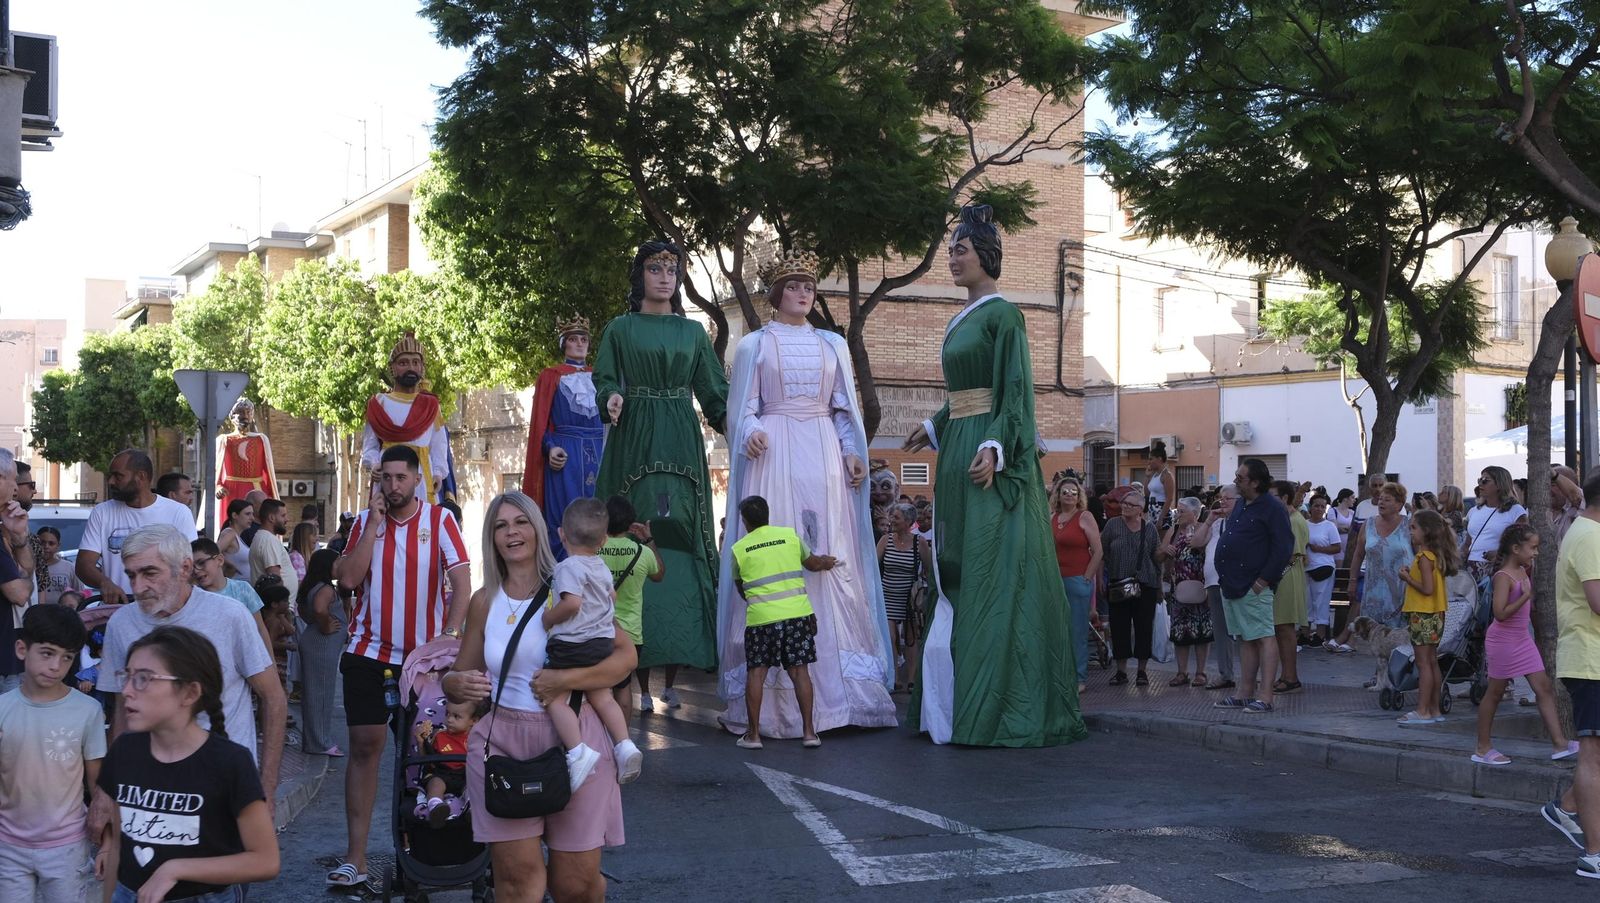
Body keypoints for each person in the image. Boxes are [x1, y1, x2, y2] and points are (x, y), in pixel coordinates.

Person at [901, 204, 1084, 748]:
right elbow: (961, 393)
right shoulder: (963, 317)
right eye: (952, 250)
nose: (953, 258)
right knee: (955, 560)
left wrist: (996, 446)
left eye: (962, 249)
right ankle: (951, 701)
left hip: (984, 451)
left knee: (987, 565)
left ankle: (999, 702)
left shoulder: (1005, 315)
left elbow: (1015, 391)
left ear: (987, 255)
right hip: (956, 446)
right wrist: (934, 427)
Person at [717, 248, 895, 738]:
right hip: (773, 449)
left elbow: (843, 409)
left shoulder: (832, 344)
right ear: (776, 294)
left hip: (821, 450)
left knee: (827, 548)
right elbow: (743, 405)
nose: (802, 293)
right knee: (776, 542)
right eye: (793, 286)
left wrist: (852, 452)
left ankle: (843, 697)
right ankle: (769, 703)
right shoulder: (754, 344)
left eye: (809, 287)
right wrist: (749, 428)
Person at [442, 491, 632, 903]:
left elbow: (625, 657)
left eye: (521, 522)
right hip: (505, 744)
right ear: (491, 539)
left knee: (576, 885)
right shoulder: (484, 601)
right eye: (500, 525)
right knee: (516, 883)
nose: (512, 532)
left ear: (539, 529)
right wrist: (453, 686)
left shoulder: (570, 583)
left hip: (574, 741)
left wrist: (566, 681)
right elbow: (461, 673)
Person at [327, 444, 470, 888]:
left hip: (422, 664)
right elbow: (348, 579)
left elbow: (462, 582)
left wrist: (448, 636)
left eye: (400, 478)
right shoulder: (365, 523)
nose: (392, 486)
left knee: (424, 755)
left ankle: (420, 856)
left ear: (416, 479)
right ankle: (357, 858)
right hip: (368, 653)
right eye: (384, 478)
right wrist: (372, 522)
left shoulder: (440, 519)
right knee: (366, 747)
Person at [593, 240, 729, 697]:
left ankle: (688, 643)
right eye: (655, 268)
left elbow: (712, 388)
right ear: (640, 276)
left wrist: (733, 424)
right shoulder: (620, 328)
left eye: (673, 268)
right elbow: (606, 376)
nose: (665, 276)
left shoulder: (693, 333)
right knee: (627, 525)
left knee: (684, 531)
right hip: (634, 432)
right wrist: (610, 397)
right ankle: (621, 651)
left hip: (680, 432)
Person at [91, 526, 285, 799]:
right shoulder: (122, 623)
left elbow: (274, 698)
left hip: (223, 786)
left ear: (184, 568)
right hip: (149, 791)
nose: (137, 587)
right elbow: (122, 713)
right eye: (131, 575)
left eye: (149, 573)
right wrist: (107, 793)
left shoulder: (230, 616)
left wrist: (265, 789)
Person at [95, 625, 280, 901]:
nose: (127, 691)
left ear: (189, 693)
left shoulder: (230, 763)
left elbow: (265, 861)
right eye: (127, 676)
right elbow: (121, 847)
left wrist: (175, 869)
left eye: (144, 679)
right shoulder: (124, 751)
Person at [0, 605, 104, 903]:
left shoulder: (88, 710)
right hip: (8, 846)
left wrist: (108, 844)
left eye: (67, 657)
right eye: (46, 653)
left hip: (67, 847)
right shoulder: (2, 708)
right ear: (22, 649)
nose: (57, 665)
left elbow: (97, 786)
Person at [542, 497, 642, 787]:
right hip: (602, 642)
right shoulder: (599, 565)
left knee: (555, 699)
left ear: (562, 533)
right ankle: (624, 745)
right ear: (602, 541)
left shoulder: (567, 567)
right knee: (602, 696)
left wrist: (549, 618)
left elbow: (571, 604)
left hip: (572, 644)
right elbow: (612, 597)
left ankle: (577, 752)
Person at [728, 495, 837, 749]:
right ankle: (809, 733)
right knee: (800, 672)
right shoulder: (790, 537)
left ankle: (753, 736)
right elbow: (813, 564)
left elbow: (741, 589)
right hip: (796, 616)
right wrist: (827, 562)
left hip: (761, 620)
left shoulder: (739, 549)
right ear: (768, 514)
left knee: (756, 674)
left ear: (745, 522)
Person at [1473, 524, 1577, 764]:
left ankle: (1559, 743)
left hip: (1522, 639)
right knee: (1495, 692)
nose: (1535, 552)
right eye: (1532, 547)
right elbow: (1499, 613)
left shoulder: (1523, 571)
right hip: (1503, 641)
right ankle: (1482, 747)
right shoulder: (1504, 576)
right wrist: (1524, 597)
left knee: (1544, 687)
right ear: (1515, 548)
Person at [521, 316, 605, 561]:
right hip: (566, 456)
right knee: (566, 516)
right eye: (573, 339)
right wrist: (550, 448)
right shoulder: (551, 376)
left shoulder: (601, 377)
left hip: (600, 451)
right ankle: (561, 577)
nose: (580, 344)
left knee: (600, 512)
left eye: (584, 339)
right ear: (564, 344)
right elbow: (542, 424)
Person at [1213, 458, 1293, 714]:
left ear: (1255, 482)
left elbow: (1283, 547)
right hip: (1233, 583)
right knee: (1246, 638)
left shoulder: (1272, 507)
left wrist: (1263, 580)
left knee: (1263, 636)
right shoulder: (1242, 505)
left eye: (1240, 478)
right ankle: (1244, 692)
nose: (1236, 481)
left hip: (1253, 583)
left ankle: (1266, 696)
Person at [77, 449, 198, 607]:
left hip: (164, 611)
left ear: (141, 477)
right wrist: (104, 582)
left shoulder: (179, 513)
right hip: (116, 610)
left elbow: (189, 565)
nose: (111, 482)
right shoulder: (102, 512)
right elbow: (83, 565)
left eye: (118, 476)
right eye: (110, 476)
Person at [362, 331, 451, 504]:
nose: (411, 367)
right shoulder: (378, 403)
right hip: (388, 476)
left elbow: (439, 446)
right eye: (404, 363)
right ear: (393, 368)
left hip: (422, 476)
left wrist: (438, 473)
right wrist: (373, 465)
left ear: (422, 368)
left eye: (415, 362)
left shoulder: (431, 405)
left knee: (422, 527)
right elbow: (370, 446)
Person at [1332, 481, 1414, 654]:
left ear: (1399, 504)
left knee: (1399, 637)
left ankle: (1395, 677)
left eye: (1387, 500)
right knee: (1377, 637)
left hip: (1402, 590)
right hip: (1373, 590)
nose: (1381, 502)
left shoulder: (1409, 525)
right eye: (1381, 499)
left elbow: (1421, 555)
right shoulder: (1368, 525)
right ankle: (1378, 676)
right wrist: (1352, 581)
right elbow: (1358, 555)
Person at [599, 496, 663, 713]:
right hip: (632, 635)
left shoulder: (593, 550)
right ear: (631, 523)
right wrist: (648, 540)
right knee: (623, 686)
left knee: (597, 690)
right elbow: (659, 575)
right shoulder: (643, 553)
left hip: (598, 630)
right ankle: (622, 739)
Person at [1395, 509, 1460, 725]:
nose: (1410, 531)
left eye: (1414, 527)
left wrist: (1406, 578)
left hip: (1422, 614)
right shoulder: (1435, 556)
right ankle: (1434, 709)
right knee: (1432, 662)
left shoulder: (1424, 557)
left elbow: (1427, 589)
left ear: (1427, 531)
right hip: (1435, 614)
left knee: (1423, 664)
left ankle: (1422, 710)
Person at [1101, 488, 1160, 687]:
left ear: (1140, 509)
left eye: (1130, 505)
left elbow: (1155, 558)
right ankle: (1121, 671)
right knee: (1119, 628)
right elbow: (1103, 551)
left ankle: (1142, 671)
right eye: (1124, 503)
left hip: (1145, 585)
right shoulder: (1112, 525)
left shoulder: (1149, 528)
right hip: (1118, 583)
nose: (1125, 507)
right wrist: (1102, 577)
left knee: (1144, 628)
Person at [1051, 475, 1101, 693]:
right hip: (1055, 581)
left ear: (1079, 496)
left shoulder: (1085, 516)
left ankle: (1079, 677)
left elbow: (1098, 550)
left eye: (1073, 492)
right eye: (1065, 492)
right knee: (1056, 630)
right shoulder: (1051, 517)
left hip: (1077, 579)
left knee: (1077, 631)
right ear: (1058, 496)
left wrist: (1087, 577)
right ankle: (1060, 674)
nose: (1069, 495)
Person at [881, 501, 936, 693]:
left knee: (911, 638)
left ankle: (911, 679)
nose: (892, 521)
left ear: (908, 521)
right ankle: (895, 676)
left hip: (909, 598)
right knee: (891, 636)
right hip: (887, 594)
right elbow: (874, 564)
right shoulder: (885, 540)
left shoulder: (918, 542)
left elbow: (928, 569)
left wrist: (925, 593)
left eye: (896, 517)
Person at [297, 549, 347, 757]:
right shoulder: (326, 589)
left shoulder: (312, 586)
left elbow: (302, 609)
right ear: (327, 566)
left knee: (313, 693)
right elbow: (319, 609)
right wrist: (325, 624)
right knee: (321, 693)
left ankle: (314, 741)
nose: (340, 566)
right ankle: (321, 743)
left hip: (315, 643)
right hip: (322, 645)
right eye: (337, 563)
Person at [1157, 496, 1212, 688]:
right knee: (1180, 631)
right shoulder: (1172, 531)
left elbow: (1210, 552)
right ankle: (1182, 673)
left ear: (1195, 514)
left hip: (1199, 585)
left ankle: (1201, 672)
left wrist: (1198, 544)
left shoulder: (1203, 529)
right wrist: (1166, 550)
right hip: (1178, 586)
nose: (1178, 515)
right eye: (1177, 511)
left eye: (1182, 511)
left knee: (1202, 630)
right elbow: (1158, 556)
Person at [189, 537, 273, 657]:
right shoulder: (193, 597)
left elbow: (260, 629)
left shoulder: (243, 589)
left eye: (201, 563)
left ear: (220, 560)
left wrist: (272, 665)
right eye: (192, 567)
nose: (196, 571)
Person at [414, 697, 488, 826]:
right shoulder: (438, 735)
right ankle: (436, 807)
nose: (449, 719)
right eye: (447, 714)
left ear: (474, 721)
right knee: (434, 782)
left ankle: (472, 808)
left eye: (456, 716)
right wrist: (421, 743)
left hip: (466, 774)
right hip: (442, 773)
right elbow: (427, 762)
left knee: (474, 783)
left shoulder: (477, 738)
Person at [1194, 485, 1238, 690]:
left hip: (1236, 584)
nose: (1223, 502)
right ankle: (1225, 674)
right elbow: (1196, 542)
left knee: (1244, 632)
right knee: (1221, 632)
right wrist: (1209, 519)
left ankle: (1249, 675)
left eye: (1228, 499)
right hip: (1214, 583)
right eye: (1221, 498)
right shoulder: (1217, 523)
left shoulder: (1244, 523)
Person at [215, 399, 279, 529]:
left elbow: (268, 471)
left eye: (248, 412)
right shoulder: (224, 440)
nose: (245, 415)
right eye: (241, 412)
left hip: (256, 489)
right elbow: (216, 470)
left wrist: (271, 498)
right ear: (232, 416)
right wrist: (217, 487)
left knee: (258, 524)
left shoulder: (261, 439)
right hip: (231, 491)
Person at [1270, 481, 1309, 693]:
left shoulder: (1294, 520)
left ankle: (1291, 676)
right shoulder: (1285, 518)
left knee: (1285, 628)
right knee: (1280, 628)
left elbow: (1292, 554)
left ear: (1284, 498)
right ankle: (1285, 675)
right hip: (1282, 575)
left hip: (1286, 575)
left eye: (1273, 496)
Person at [1304, 493, 1341, 648]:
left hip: (1323, 567)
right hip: (1306, 568)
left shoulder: (1329, 526)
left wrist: (1319, 549)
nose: (1319, 509)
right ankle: (1305, 633)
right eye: (1316, 505)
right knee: (1306, 601)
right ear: (1310, 507)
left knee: (1321, 601)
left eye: (1322, 506)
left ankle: (1320, 635)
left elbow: (1337, 547)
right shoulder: (1304, 524)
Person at [249, 499, 298, 601]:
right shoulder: (268, 540)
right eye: (283, 515)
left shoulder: (265, 537)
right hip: (279, 610)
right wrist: (282, 610)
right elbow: (274, 578)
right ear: (271, 518)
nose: (287, 519)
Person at [34, 526, 80, 607]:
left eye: (51, 543)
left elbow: (80, 595)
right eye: (42, 542)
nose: (46, 546)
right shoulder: (29, 568)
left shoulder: (69, 568)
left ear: (58, 546)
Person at [217, 499, 254, 581]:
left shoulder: (236, 535)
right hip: (235, 587)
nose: (252, 518)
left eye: (252, 514)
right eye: (247, 514)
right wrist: (230, 566)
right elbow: (211, 551)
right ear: (234, 515)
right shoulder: (230, 534)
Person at [1144, 439, 1176, 525]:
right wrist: (1147, 477)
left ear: (1159, 459)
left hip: (1161, 512)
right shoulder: (1154, 475)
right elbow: (1147, 494)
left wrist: (1161, 518)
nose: (1149, 462)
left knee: (1159, 538)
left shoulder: (1166, 475)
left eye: (1151, 459)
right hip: (1152, 511)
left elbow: (1169, 499)